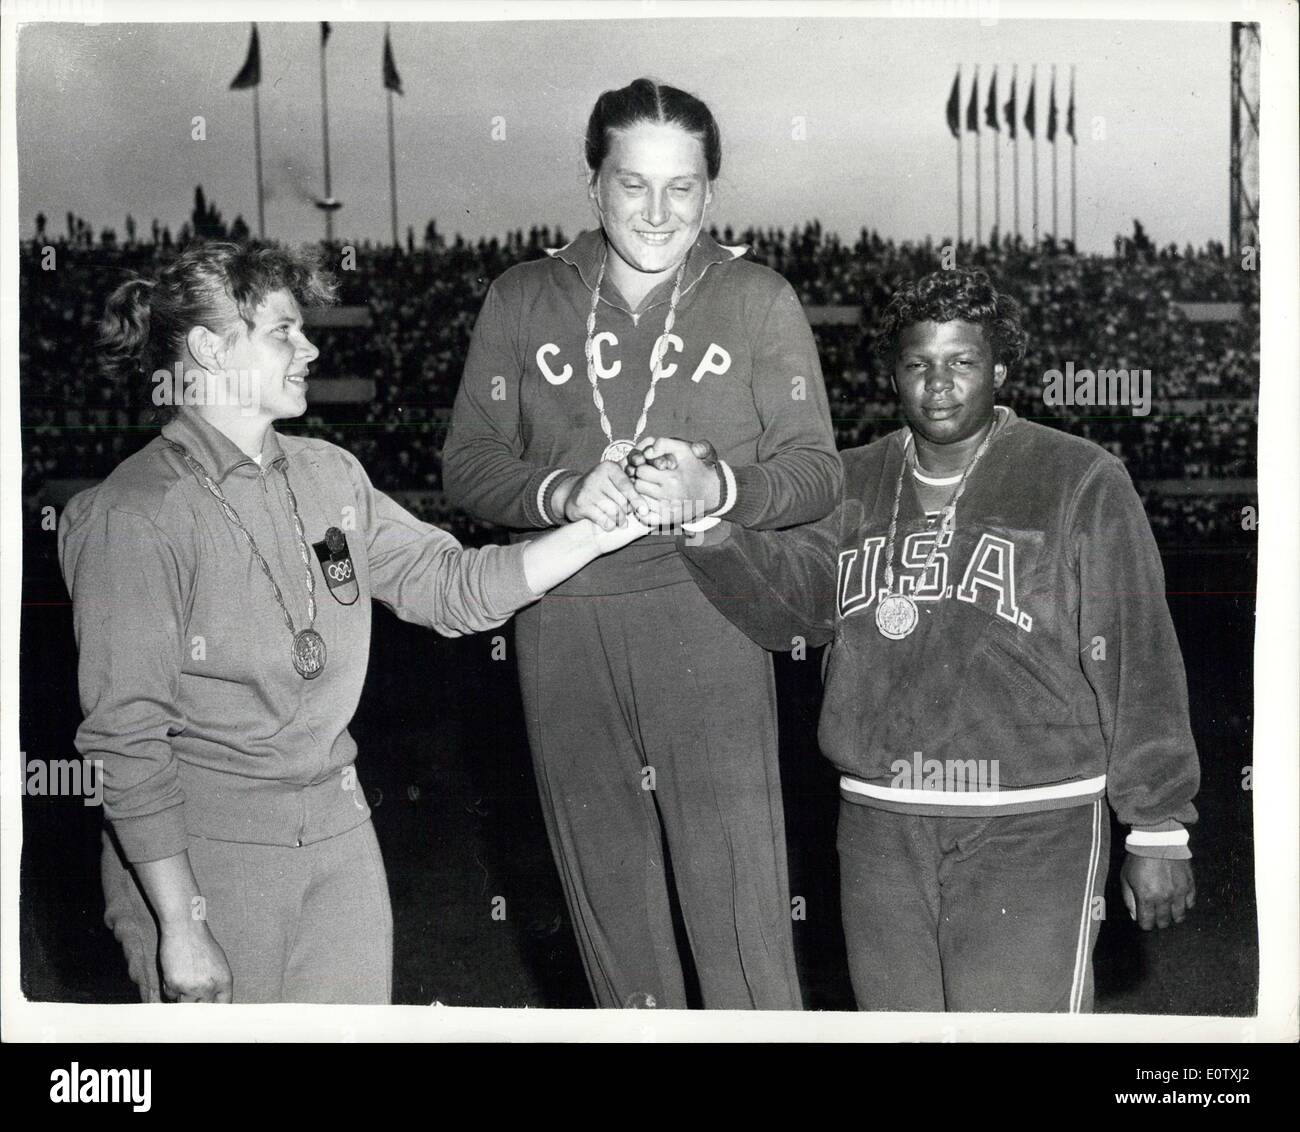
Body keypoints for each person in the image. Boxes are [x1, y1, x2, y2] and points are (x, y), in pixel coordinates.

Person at [59, 241, 648, 1005]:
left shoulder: (331, 475)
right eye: (283, 332)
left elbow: (450, 585)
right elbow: (125, 739)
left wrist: (603, 526)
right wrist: (179, 923)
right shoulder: (134, 514)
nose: (308, 348)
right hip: (207, 857)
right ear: (209, 349)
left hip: (340, 844)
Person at [679, 269, 1199, 1012]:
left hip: (1030, 818)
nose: (940, 385)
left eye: (962, 363)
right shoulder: (851, 481)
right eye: (919, 364)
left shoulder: (1078, 476)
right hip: (878, 821)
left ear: (1001, 370)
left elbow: (1137, 654)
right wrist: (707, 526)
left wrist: (1156, 825)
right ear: (894, 374)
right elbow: (789, 609)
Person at [442, 78, 841, 1009]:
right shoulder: (523, 294)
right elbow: (467, 463)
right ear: (592, 185)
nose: (658, 212)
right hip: (563, 626)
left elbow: (818, 471)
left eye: (683, 187)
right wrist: (565, 489)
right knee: (612, 917)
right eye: (633, 185)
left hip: (709, 621)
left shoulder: (757, 297)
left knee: (740, 915)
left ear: (710, 192)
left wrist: (722, 487)